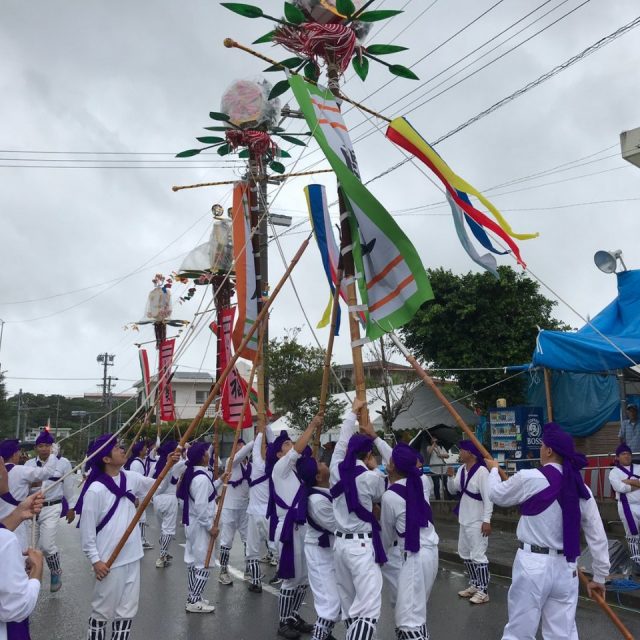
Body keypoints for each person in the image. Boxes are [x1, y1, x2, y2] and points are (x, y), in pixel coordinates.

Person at [487, 422, 610, 640]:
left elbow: (497, 495)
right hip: (567, 568)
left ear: (550, 450)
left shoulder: (530, 478)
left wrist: (494, 470)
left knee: (519, 633)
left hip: (532, 564)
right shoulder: (582, 489)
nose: (540, 450)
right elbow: (597, 535)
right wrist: (599, 576)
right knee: (562, 634)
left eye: (542, 446)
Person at [76, 433, 177, 640]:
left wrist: (169, 466)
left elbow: (156, 486)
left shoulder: (129, 477)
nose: (123, 450)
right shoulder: (95, 490)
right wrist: (96, 561)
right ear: (105, 459)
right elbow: (87, 532)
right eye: (116, 448)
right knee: (101, 612)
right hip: (108, 560)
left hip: (132, 556)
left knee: (126, 612)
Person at [330, 399, 392, 640]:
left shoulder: (336, 468)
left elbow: (342, 441)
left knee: (349, 605)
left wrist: (352, 412)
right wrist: (374, 463)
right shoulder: (370, 478)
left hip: (341, 546)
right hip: (361, 546)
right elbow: (395, 465)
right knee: (368, 608)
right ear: (368, 455)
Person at [270, 417, 322, 639]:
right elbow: (299, 450)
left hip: (301, 527)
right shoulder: (280, 468)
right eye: (286, 445)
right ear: (279, 454)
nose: (291, 446)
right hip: (288, 528)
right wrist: (311, 426)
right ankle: (283, 622)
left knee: (303, 578)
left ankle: (293, 615)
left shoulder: (294, 472)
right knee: (291, 578)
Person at [381, 443, 439, 640]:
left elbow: (387, 535)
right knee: (416, 611)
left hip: (415, 555)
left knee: (409, 619)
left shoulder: (390, 496)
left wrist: (379, 555)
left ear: (392, 466)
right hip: (430, 552)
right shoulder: (419, 482)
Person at [175, 441, 226, 613]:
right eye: (206, 452)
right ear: (202, 457)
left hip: (192, 523)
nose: (209, 454)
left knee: (192, 561)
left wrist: (220, 480)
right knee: (205, 563)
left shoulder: (195, 475)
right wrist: (210, 527)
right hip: (200, 525)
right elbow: (202, 507)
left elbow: (208, 493)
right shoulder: (201, 479)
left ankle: (193, 596)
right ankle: (194, 600)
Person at [24, 430, 75, 592]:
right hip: (32, 510)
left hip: (52, 507)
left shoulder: (63, 463)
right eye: (41, 445)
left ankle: (55, 571)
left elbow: (69, 486)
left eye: (47, 445)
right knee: (28, 547)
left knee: (46, 545)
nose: (44, 449)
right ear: (36, 448)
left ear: (52, 447)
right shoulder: (29, 465)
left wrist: (72, 507)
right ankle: (26, 580)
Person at [446, 440, 493, 604]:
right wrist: (450, 477)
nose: (460, 453)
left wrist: (487, 520)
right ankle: (474, 584)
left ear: (471, 453)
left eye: (462, 450)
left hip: (478, 519)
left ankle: (483, 590)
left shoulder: (482, 472)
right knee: (465, 553)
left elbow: (488, 498)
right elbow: (454, 490)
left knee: (478, 555)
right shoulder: (461, 469)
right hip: (465, 518)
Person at [302, 448, 339, 640]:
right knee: (329, 603)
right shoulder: (316, 500)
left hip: (329, 551)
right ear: (318, 476)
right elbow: (338, 525)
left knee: (337, 600)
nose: (324, 463)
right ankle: (319, 636)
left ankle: (324, 635)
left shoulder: (326, 491)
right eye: (320, 464)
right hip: (319, 553)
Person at [0, 492, 45, 640]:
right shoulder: (6, 540)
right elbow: (16, 609)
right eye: (3, 467)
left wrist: (18, 514)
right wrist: (36, 572)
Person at [0, 439, 57, 551]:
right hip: (16, 520)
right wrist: (53, 455)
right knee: (17, 551)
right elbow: (47, 472)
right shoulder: (21, 470)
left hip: (3, 521)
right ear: (14, 454)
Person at [217, 437, 254, 586]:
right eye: (237, 445)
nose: (240, 447)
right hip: (229, 507)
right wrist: (254, 440)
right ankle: (223, 571)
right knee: (227, 540)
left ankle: (249, 569)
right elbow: (239, 455)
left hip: (244, 507)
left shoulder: (249, 465)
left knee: (247, 539)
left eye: (242, 444)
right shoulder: (231, 462)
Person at [246, 423, 277, 593]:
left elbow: (257, 448)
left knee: (253, 549)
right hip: (267, 513)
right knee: (274, 545)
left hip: (254, 512)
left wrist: (259, 433)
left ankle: (256, 581)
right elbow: (274, 445)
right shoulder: (275, 468)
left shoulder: (257, 465)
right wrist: (268, 428)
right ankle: (283, 575)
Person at [151, 440, 185, 568]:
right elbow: (190, 462)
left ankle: (165, 551)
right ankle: (161, 556)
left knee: (164, 529)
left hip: (157, 499)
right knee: (168, 530)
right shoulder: (175, 464)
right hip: (169, 498)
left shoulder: (158, 463)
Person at [608, 443, 640, 573]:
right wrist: (637, 484)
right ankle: (637, 562)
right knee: (632, 535)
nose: (626, 456)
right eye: (623, 454)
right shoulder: (614, 472)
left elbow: (625, 486)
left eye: (628, 453)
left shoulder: (638, 467)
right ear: (617, 457)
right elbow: (620, 488)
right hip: (627, 506)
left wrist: (629, 482)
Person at [124, 441, 153, 550]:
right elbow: (135, 481)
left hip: (141, 494)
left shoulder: (140, 461)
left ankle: (141, 539)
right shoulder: (136, 463)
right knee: (140, 518)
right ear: (140, 450)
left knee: (142, 517)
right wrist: (135, 496)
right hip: (138, 495)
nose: (147, 450)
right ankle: (141, 540)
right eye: (145, 448)